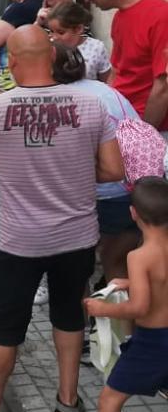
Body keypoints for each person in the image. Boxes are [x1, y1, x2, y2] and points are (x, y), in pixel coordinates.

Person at [0, 26, 124, 412]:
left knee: (6, 330)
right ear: (52, 57)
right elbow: (113, 169)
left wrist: (9, 165)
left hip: (19, 241)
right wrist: (73, 171)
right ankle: (67, 402)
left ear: (13, 61)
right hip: (77, 236)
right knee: (69, 316)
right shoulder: (90, 105)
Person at [52, 44, 142, 287]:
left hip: (108, 195)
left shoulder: (64, 101)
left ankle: (87, 320)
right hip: (138, 189)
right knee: (118, 265)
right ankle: (116, 321)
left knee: (76, 268)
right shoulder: (103, 89)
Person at [84, 177, 168, 412]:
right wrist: (132, 282)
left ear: (133, 213)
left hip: (151, 342)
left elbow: (139, 307)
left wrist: (102, 309)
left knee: (109, 400)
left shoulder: (139, 257)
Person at [77, 0, 168, 134]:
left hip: (145, 128)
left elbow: (163, 87)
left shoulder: (161, 16)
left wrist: (143, 134)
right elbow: (117, 72)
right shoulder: (120, 16)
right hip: (121, 121)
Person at [46, 1, 111, 82]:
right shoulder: (48, 48)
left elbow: (105, 79)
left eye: (61, 32)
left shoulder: (96, 48)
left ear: (79, 29)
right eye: (51, 31)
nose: (54, 37)